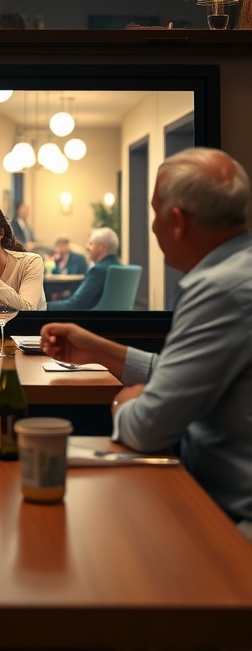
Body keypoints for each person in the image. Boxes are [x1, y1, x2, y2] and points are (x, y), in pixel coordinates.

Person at [41, 148, 252, 539]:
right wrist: (102, 351)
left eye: (154, 213)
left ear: (176, 221)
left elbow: (145, 429)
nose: (152, 227)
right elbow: (188, 376)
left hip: (226, 516)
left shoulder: (219, 289)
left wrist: (125, 402)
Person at [45, 227, 119, 311]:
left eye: (91, 244)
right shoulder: (117, 268)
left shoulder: (98, 270)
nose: (87, 247)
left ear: (102, 248)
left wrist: (44, 307)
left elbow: (75, 304)